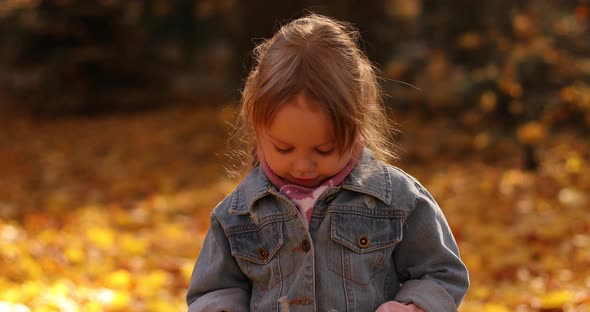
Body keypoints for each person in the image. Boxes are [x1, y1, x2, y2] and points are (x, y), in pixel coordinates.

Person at [186, 13, 469, 312]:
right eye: (284, 148)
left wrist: (414, 306)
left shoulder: (399, 200)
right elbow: (214, 289)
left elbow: (442, 273)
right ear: (258, 128)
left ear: (358, 127)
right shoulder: (237, 215)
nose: (303, 166)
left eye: (323, 150)